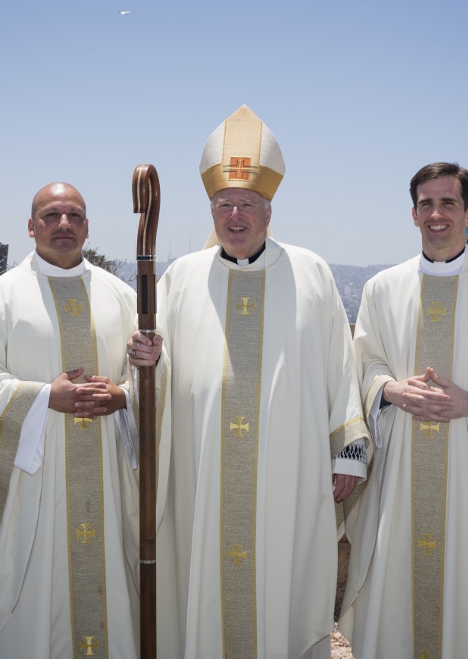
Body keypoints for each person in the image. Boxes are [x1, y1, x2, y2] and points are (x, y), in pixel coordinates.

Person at [129, 104, 371, 659]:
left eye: (248, 205)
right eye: (224, 205)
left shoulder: (311, 272)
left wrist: (347, 454)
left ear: (270, 210)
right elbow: (154, 370)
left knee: (281, 586)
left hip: (291, 469)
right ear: (211, 211)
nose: (235, 215)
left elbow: (340, 364)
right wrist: (146, 358)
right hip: (200, 469)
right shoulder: (180, 277)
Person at [339, 162, 468, 658]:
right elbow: (362, 364)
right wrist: (390, 391)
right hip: (400, 471)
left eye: (448, 203)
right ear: (413, 214)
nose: (437, 214)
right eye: (426, 204)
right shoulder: (382, 289)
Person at [0, 183, 153, 658]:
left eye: (73, 215)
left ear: (87, 227)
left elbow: (154, 375)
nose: (62, 224)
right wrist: (45, 397)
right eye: (50, 215)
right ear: (31, 227)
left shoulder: (123, 296)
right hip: (31, 487)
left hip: (107, 479)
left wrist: (125, 396)